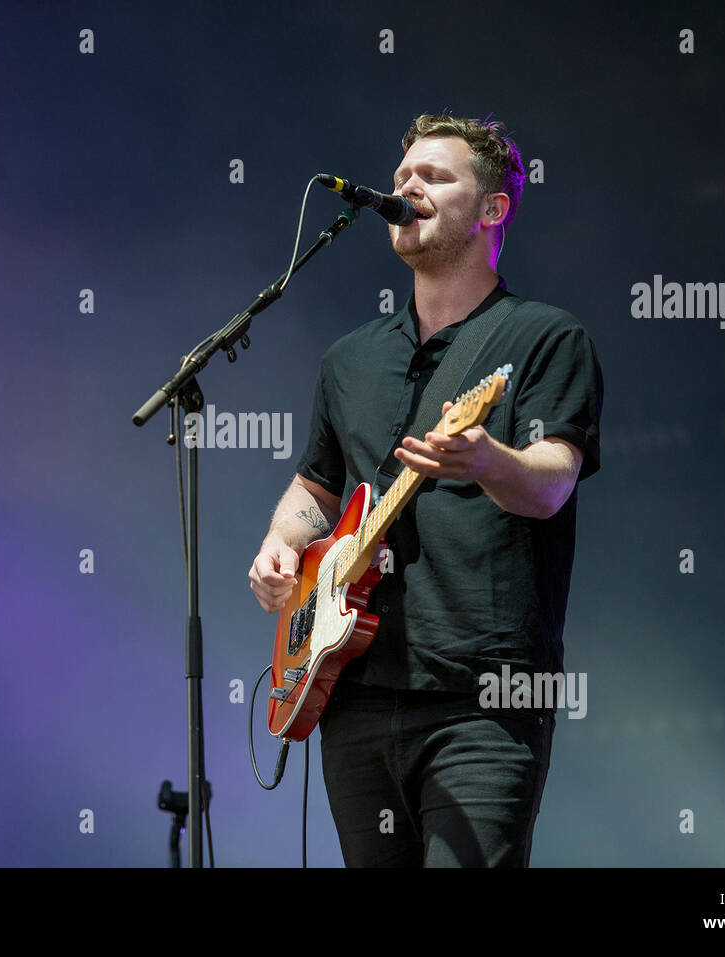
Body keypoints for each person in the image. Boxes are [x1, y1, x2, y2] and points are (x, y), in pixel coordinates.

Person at [247, 114, 603, 867]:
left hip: (483, 699)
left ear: (493, 210)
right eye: (405, 173)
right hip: (353, 688)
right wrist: (282, 543)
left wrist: (488, 460)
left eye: (436, 176)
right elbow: (316, 485)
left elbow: (551, 486)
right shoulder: (349, 359)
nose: (408, 185)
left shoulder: (544, 337)